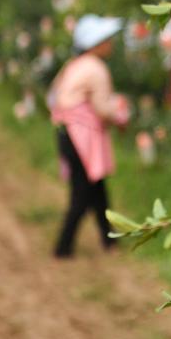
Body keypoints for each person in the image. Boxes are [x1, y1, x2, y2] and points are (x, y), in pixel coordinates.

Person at [47, 14, 130, 258]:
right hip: (80, 137)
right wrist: (122, 114)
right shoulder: (95, 68)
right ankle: (63, 248)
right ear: (96, 43)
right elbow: (104, 108)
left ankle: (110, 240)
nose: (111, 43)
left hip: (66, 132)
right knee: (82, 194)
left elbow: (53, 97)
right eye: (107, 39)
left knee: (96, 189)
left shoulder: (73, 64)